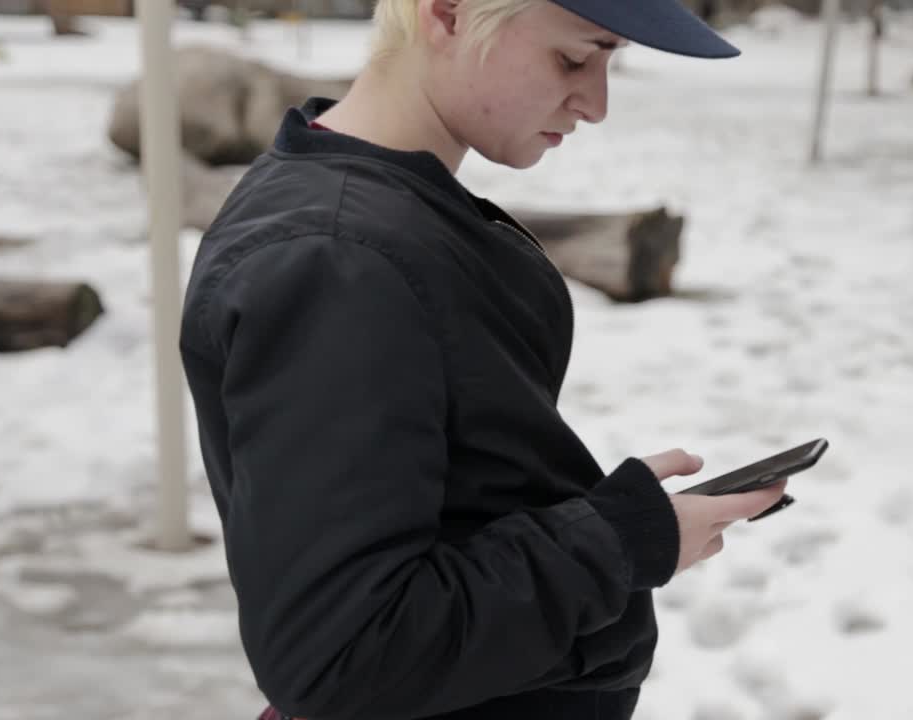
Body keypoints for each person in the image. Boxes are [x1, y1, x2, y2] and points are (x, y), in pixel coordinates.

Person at [179, 1, 790, 718]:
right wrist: (616, 542)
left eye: (610, 60)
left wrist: (620, 531)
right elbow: (343, 653)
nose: (594, 103)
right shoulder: (339, 260)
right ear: (450, 13)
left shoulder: (381, 218)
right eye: (574, 58)